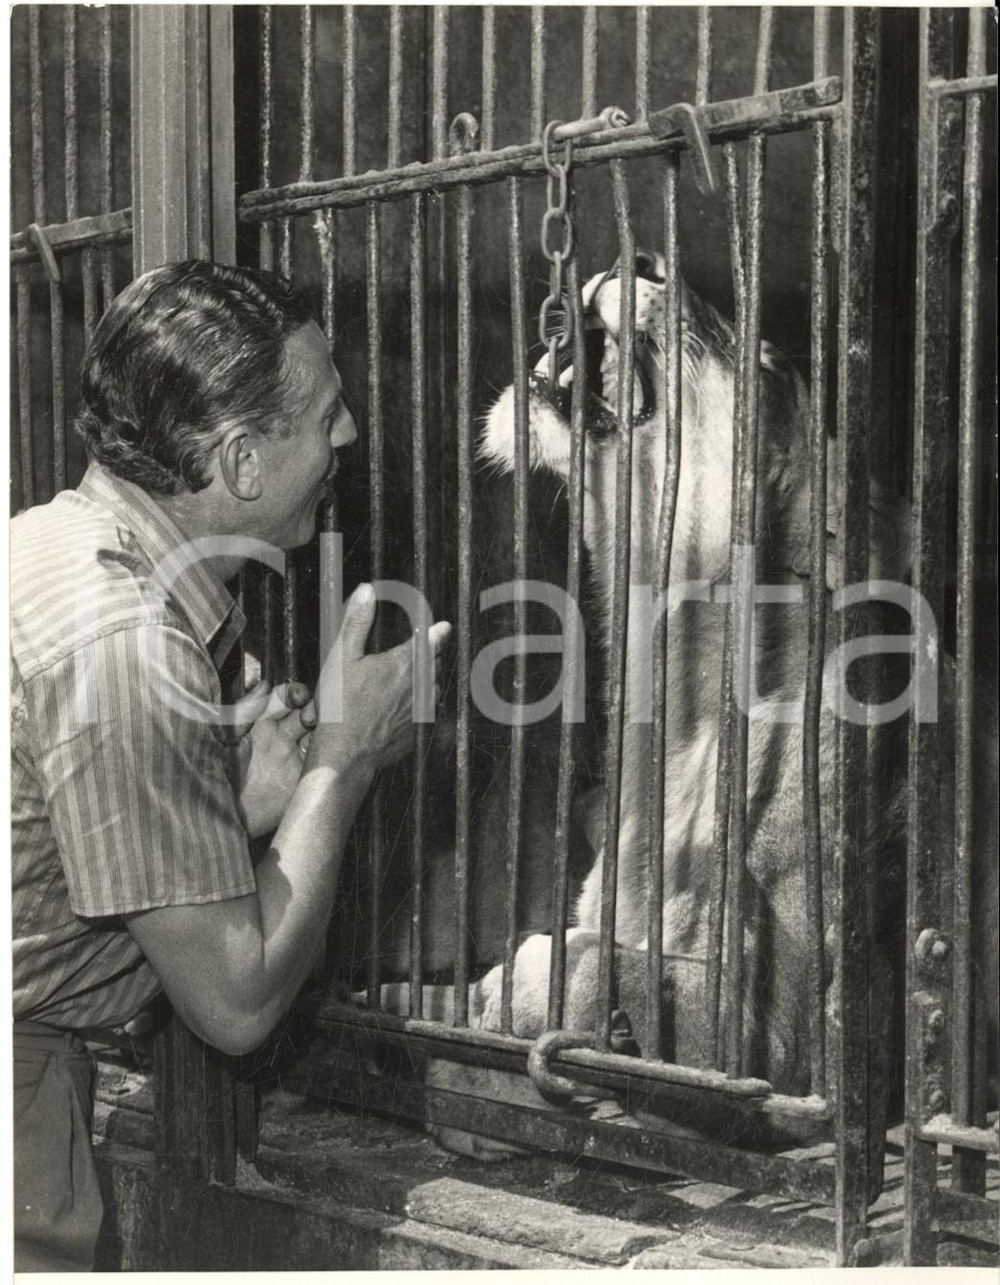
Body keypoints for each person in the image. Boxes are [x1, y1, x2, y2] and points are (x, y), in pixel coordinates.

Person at [9, 260, 451, 1271]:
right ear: (244, 461)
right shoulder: (125, 640)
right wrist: (343, 760)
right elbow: (238, 1004)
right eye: (328, 413)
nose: (347, 436)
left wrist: (230, 806)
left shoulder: (47, 547)